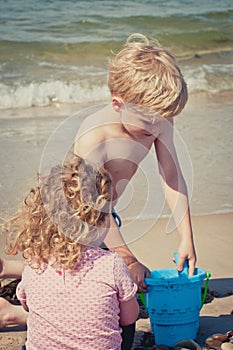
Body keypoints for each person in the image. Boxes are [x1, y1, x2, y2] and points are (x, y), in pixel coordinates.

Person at [0, 33, 196, 347]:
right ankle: (15, 312)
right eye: (149, 126)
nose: (157, 130)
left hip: (105, 212)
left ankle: (11, 274)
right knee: (86, 284)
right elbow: (91, 210)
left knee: (103, 286)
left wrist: (186, 236)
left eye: (164, 121)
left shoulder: (156, 118)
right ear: (118, 104)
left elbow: (170, 174)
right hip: (78, 216)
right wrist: (127, 258)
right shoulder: (95, 136)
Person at [2, 155, 139, 350]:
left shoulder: (35, 263)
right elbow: (129, 316)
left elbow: (28, 305)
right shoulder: (112, 263)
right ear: (99, 220)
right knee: (126, 319)